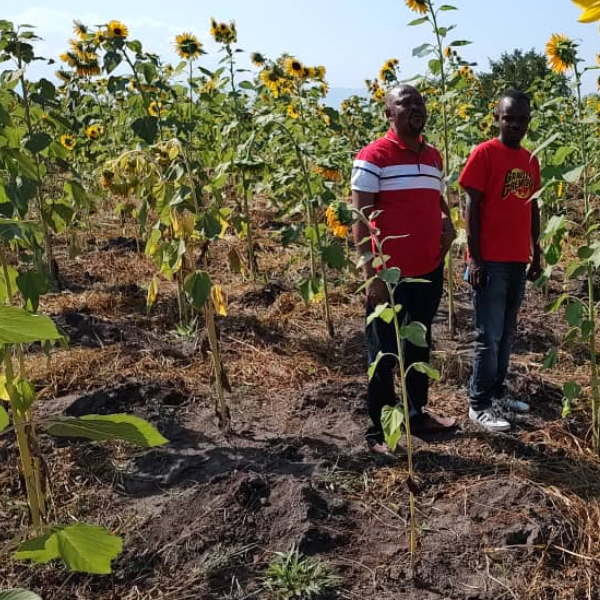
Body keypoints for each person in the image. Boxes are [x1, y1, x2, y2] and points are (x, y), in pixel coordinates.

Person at [351, 84, 457, 456]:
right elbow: (361, 219)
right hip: (389, 277)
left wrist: (447, 222)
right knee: (382, 354)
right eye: (405, 103)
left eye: (420, 103)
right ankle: (379, 432)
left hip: (428, 268)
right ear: (388, 113)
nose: (415, 108)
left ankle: (415, 412)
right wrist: (372, 274)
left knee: (419, 342)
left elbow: (435, 198)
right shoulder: (373, 157)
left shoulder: (432, 156)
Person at [459, 89, 542, 433]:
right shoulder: (485, 154)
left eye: (522, 119)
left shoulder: (530, 159)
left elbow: (533, 207)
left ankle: (497, 393)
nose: (515, 125)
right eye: (509, 118)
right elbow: (471, 207)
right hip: (489, 261)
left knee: (506, 335)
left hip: (516, 260)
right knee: (488, 336)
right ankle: (478, 404)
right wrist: (474, 259)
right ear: (498, 118)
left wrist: (536, 251)